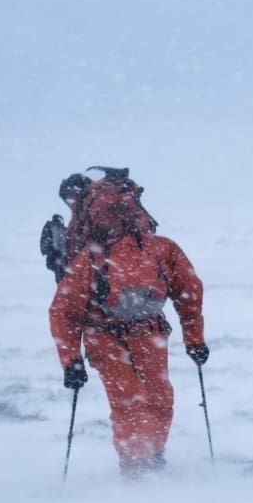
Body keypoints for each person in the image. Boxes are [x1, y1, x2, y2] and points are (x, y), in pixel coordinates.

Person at [48, 167, 210, 476]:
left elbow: (64, 311)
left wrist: (71, 361)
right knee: (139, 400)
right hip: (127, 332)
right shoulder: (159, 249)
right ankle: (139, 467)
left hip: (129, 331)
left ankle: (147, 461)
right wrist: (195, 339)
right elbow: (189, 294)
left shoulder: (111, 255)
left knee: (150, 399)